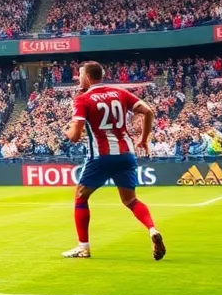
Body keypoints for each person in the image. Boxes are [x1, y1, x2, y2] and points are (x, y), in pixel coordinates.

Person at [61, 61, 165, 261]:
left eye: (80, 75)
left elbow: (74, 137)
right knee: (130, 200)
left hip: (100, 156)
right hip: (126, 153)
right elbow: (148, 112)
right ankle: (152, 229)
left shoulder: (83, 99)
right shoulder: (120, 92)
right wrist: (143, 139)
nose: (78, 78)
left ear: (87, 77)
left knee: (81, 197)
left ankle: (84, 248)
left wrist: (67, 129)